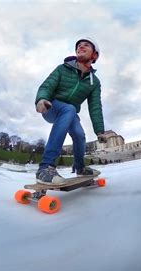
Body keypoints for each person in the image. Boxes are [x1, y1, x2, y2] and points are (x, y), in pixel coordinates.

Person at [34, 37, 105, 185]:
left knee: (79, 135)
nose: (81, 47)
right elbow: (47, 85)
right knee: (69, 108)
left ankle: (80, 168)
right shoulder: (62, 68)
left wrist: (100, 131)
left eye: (86, 45)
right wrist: (41, 99)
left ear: (95, 55)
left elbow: (95, 106)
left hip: (70, 112)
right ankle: (46, 167)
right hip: (51, 107)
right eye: (78, 46)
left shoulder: (94, 82)